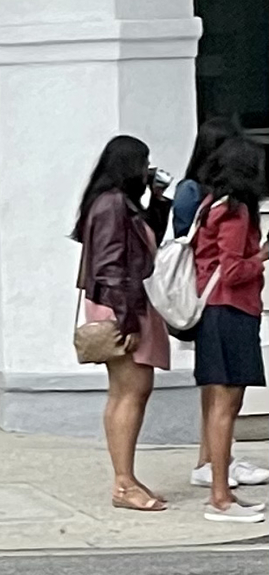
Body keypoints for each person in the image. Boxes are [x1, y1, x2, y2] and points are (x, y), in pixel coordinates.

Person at [75, 136, 174, 511]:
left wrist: (158, 200)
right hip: (121, 306)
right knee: (131, 391)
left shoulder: (117, 203)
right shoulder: (113, 204)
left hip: (120, 304)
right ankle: (122, 483)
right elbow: (111, 266)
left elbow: (144, 246)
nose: (147, 167)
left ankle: (127, 478)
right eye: (144, 161)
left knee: (126, 392)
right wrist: (128, 319)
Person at [171, 119, 269, 487]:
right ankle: (219, 486)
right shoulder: (234, 211)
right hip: (230, 308)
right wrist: (261, 257)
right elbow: (231, 270)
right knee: (227, 402)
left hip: (213, 307)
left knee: (219, 399)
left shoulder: (210, 202)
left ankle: (215, 470)